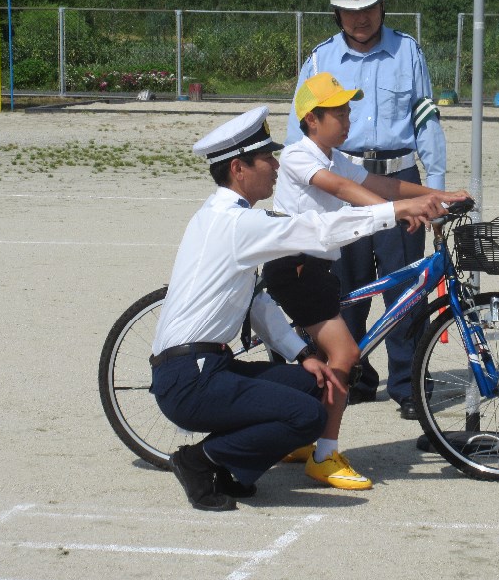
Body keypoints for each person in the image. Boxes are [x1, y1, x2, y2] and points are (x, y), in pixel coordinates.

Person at [150, 105, 448, 512]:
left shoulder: (225, 216)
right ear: (239, 168)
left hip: (207, 368)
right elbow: (313, 229)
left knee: (314, 384)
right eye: (266, 158)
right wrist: (393, 211)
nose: (275, 165)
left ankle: (228, 463)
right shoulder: (236, 224)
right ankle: (200, 460)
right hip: (191, 379)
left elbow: (258, 302)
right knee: (307, 416)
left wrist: (304, 354)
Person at [263, 73, 469, 489]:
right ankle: (324, 455)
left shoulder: (332, 154)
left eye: (348, 109)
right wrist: (399, 211)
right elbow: (340, 188)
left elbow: (381, 182)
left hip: (317, 268)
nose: (347, 118)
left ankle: (301, 436)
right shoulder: (299, 157)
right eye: (337, 111)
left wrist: (435, 195)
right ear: (311, 120)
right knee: (345, 353)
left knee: (324, 352)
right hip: (295, 268)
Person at [284, 0, 447, 420]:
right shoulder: (320, 59)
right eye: (351, 11)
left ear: (382, 6)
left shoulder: (408, 51)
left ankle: (408, 384)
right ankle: (352, 374)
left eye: (370, 8)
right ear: (337, 14)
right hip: (344, 185)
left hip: (398, 177)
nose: (362, 18)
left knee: (408, 291)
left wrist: (432, 189)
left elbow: (425, 121)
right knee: (347, 290)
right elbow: (299, 131)